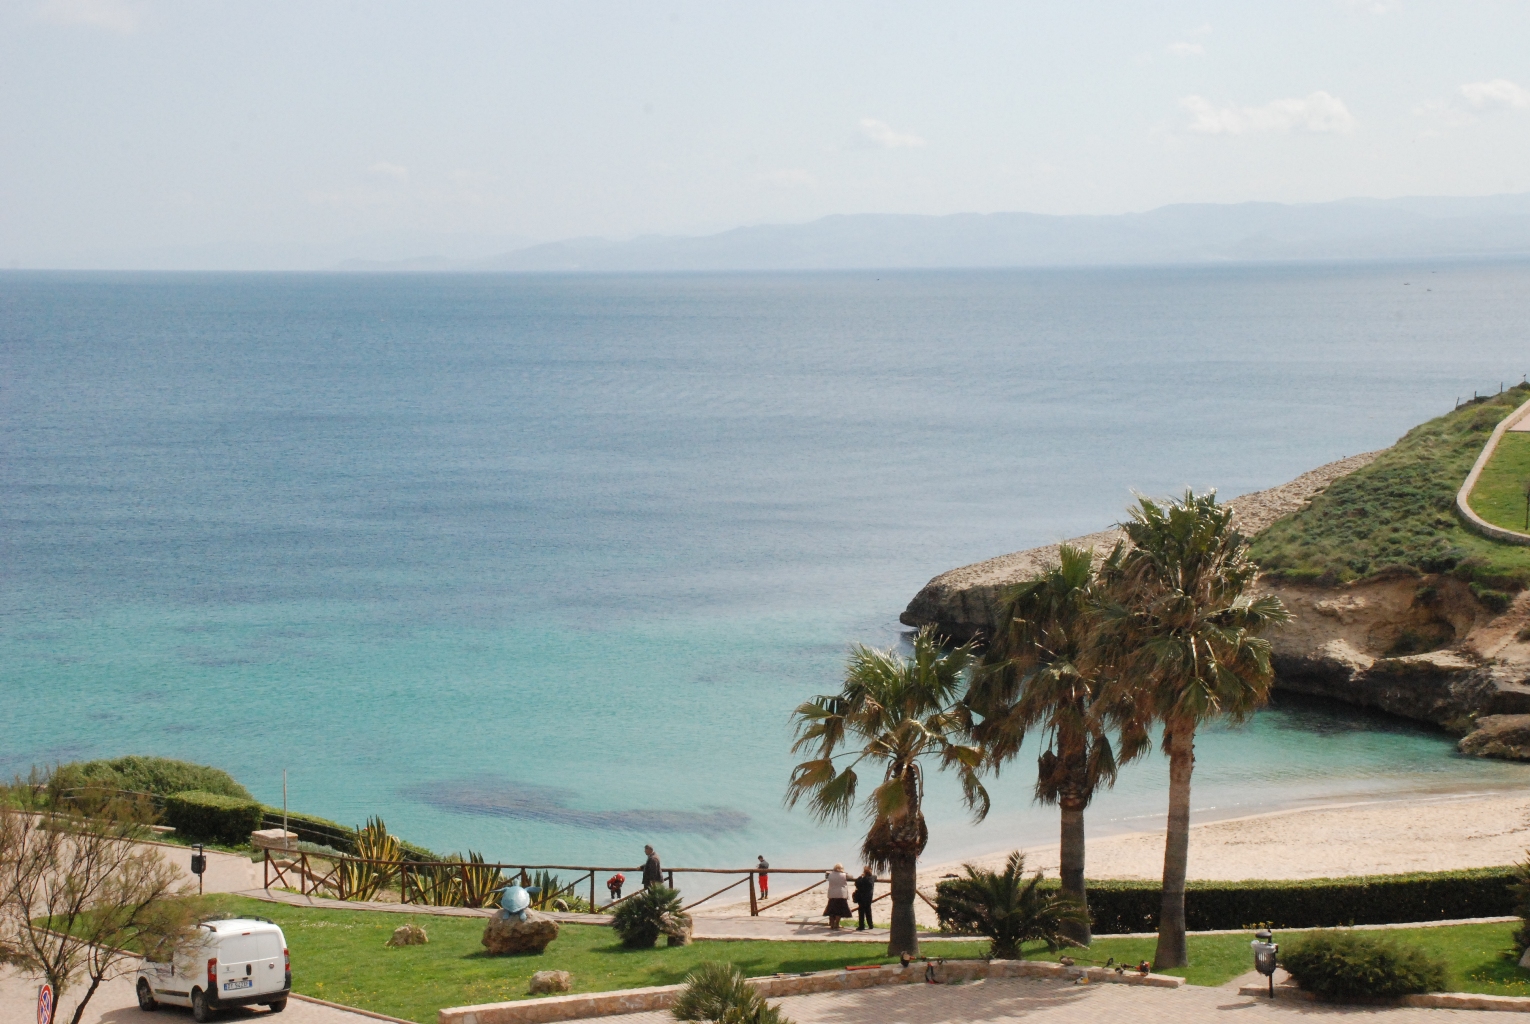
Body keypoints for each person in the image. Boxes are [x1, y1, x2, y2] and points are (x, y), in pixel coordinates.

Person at [823, 862, 851, 930]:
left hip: (832, 893)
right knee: (839, 910)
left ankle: (832, 924)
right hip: (841, 893)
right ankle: (837, 924)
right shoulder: (844, 875)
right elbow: (850, 877)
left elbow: (826, 877)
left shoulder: (830, 875)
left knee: (832, 910)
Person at [853, 865, 875, 931]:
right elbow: (875, 877)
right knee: (868, 911)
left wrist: (860, 876)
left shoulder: (862, 879)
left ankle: (861, 926)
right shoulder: (871, 878)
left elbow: (856, 883)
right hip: (869, 897)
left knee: (861, 912)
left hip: (861, 897)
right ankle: (870, 925)